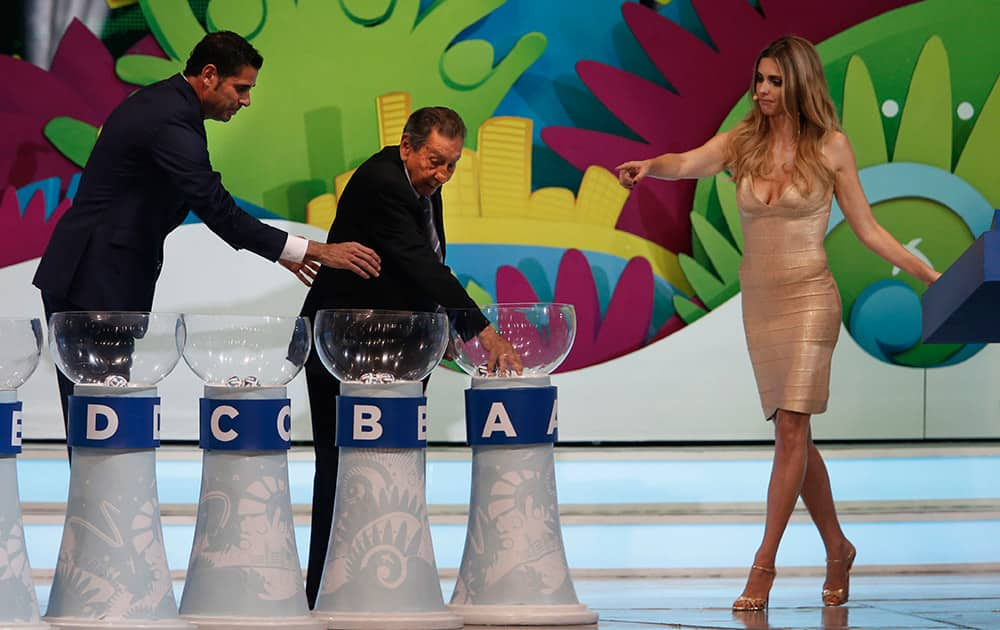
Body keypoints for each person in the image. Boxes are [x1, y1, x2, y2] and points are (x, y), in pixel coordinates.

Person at [616, 35, 940, 610]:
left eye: (773, 81)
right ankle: (838, 548)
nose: (762, 90)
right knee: (795, 434)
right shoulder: (743, 142)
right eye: (759, 80)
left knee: (790, 428)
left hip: (812, 297)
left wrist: (929, 273)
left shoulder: (831, 147)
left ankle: (762, 566)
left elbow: (868, 228)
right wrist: (650, 167)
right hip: (760, 302)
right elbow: (688, 161)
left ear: (799, 83)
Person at [33, 31, 381, 449]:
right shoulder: (170, 119)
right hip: (92, 276)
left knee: (97, 412)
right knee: (99, 414)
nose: (246, 100)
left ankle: (98, 510)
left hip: (94, 272)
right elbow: (216, 207)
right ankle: (96, 511)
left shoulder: (167, 105)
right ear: (210, 75)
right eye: (242, 88)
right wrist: (309, 249)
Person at [298, 106, 521, 607]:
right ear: (406, 147)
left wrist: (437, 325)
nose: (442, 175)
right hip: (342, 347)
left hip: (397, 345)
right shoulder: (384, 182)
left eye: (452, 166)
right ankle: (324, 594)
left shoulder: (418, 183)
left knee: (394, 473)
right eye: (435, 162)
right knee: (339, 471)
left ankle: (389, 586)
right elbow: (416, 260)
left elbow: (429, 258)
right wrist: (481, 330)